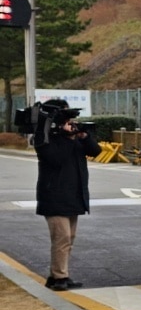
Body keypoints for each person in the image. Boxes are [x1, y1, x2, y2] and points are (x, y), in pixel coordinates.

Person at [34, 101, 100, 291]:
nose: (70, 123)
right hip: (54, 196)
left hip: (74, 195)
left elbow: (95, 151)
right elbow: (56, 159)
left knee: (69, 237)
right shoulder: (44, 136)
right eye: (66, 118)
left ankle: (57, 276)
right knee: (62, 238)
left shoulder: (73, 136)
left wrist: (84, 136)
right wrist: (69, 138)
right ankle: (60, 277)